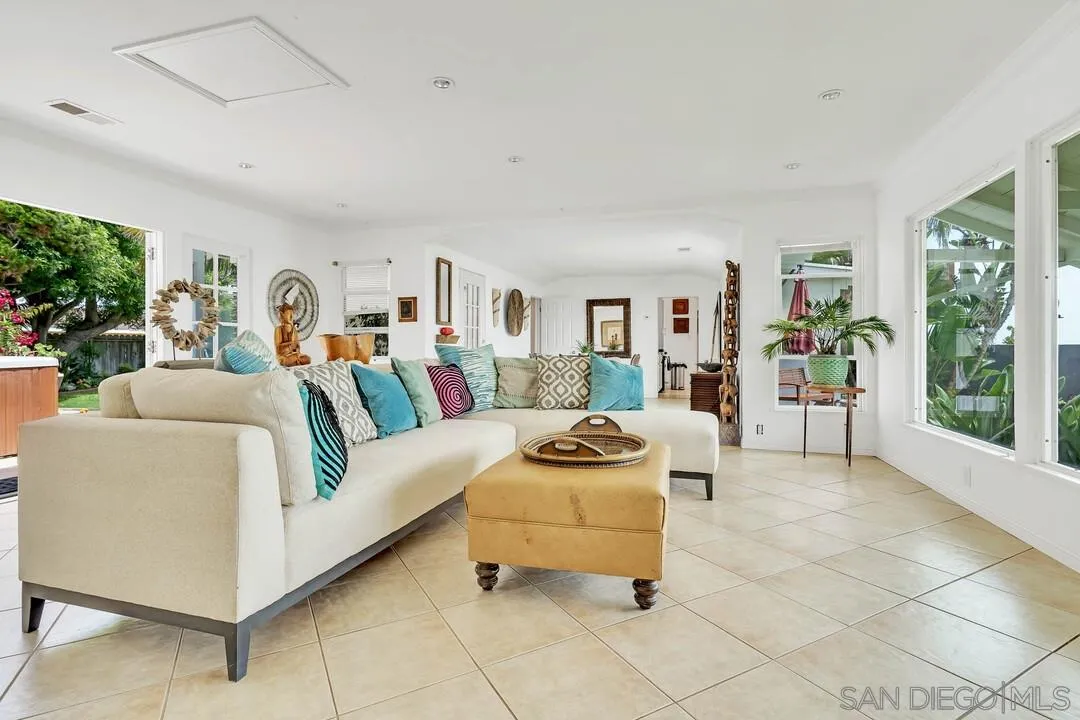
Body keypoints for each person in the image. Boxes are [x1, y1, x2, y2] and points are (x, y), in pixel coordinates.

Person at [274, 302, 310, 366]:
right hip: (283, 356)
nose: (291, 316)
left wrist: (296, 350)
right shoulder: (278, 329)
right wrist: (290, 345)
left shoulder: (294, 329)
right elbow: (278, 348)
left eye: (292, 314)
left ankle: (296, 361)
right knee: (286, 359)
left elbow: (297, 346)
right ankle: (295, 361)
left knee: (307, 359)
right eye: (289, 314)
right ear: (282, 315)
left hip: (294, 354)